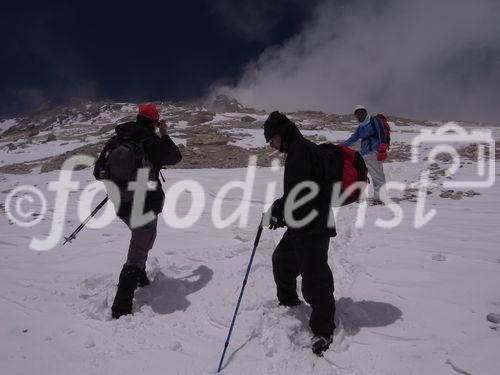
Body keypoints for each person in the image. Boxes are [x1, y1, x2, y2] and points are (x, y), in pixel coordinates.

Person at [94, 103, 182, 319]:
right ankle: (121, 309)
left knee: (142, 240)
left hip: (122, 205)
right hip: (144, 205)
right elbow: (174, 157)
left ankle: (141, 277)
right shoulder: (150, 141)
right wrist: (165, 135)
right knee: (139, 250)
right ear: (154, 123)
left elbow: (98, 171)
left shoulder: (116, 140)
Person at [263, 111, 336, 356]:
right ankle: (289, 303)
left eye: (271, 139)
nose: (271, 145)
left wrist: (281, 212)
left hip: (313, 226)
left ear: (280, 134)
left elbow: (302, 194)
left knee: (315, 278)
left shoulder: (301, 150)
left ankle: (323, 330)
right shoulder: (298, 150)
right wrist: (278, 209)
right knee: (282, 260)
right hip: (301, 225)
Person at [343, 105, 387, 204]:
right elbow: (353, 138)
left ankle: (381, 198)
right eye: (357, 114)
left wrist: (382, 150)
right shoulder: (361, 127)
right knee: (361, 174)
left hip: (374, 152)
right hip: (364, 153)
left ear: (364, 113)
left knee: (377, 175)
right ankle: (359, 196)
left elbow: (382, 134)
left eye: (360, 112)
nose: (358, 115)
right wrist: (341, 146)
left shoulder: (374, 121)